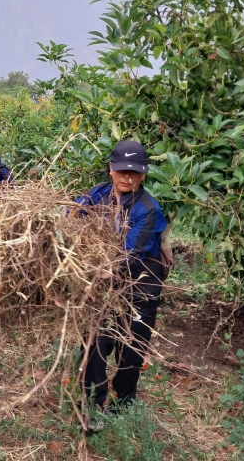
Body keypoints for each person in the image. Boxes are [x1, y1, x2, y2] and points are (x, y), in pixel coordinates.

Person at [74, 140, 168, 423]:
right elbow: (72, 216)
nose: (128, 177)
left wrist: (98, 270)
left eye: (135, 172)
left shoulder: (148, 209)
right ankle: (93, 403)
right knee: (94, 344)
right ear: (111, 169)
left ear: (143, 174)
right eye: (122, 170)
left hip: (141, 284)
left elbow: (131, 255)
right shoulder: (97, 195)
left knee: (132, 349)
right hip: (103, 284)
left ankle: (122, 405)